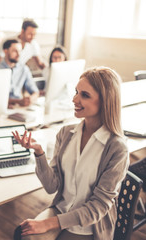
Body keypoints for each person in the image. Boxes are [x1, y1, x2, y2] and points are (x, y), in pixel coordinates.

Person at [12, 67, 129, 240]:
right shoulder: (66, 133)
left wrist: (48, 223)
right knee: (24, 235)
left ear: (105, 101)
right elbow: (52, 187)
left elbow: (98, 207)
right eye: (76, 92)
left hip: (90, 226)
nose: (75, 99)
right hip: (61, 210)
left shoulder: (117, 148)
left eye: (85, 95)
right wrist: (39, 153)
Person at [0, 39, 39, 108]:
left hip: (19, 107)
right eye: (15, 51)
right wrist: (17, 101)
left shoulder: (24, 69)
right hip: (2, 107)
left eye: (20, 51)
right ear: (5, 51)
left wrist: (30, 99)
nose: (19, 54)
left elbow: (35, 92)